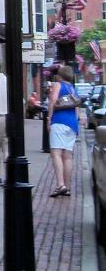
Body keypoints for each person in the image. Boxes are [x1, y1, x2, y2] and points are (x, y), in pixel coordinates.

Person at [46, 65, 79, 198]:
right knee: (68, 156)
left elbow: (53, 100)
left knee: (56, 153)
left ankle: (60, 185)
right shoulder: (72, 89)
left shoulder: (58, 85)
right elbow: (76, 110)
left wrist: (49, 118)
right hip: (72, 124)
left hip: (59, 122)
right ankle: (67, 186)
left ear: (60, 75)